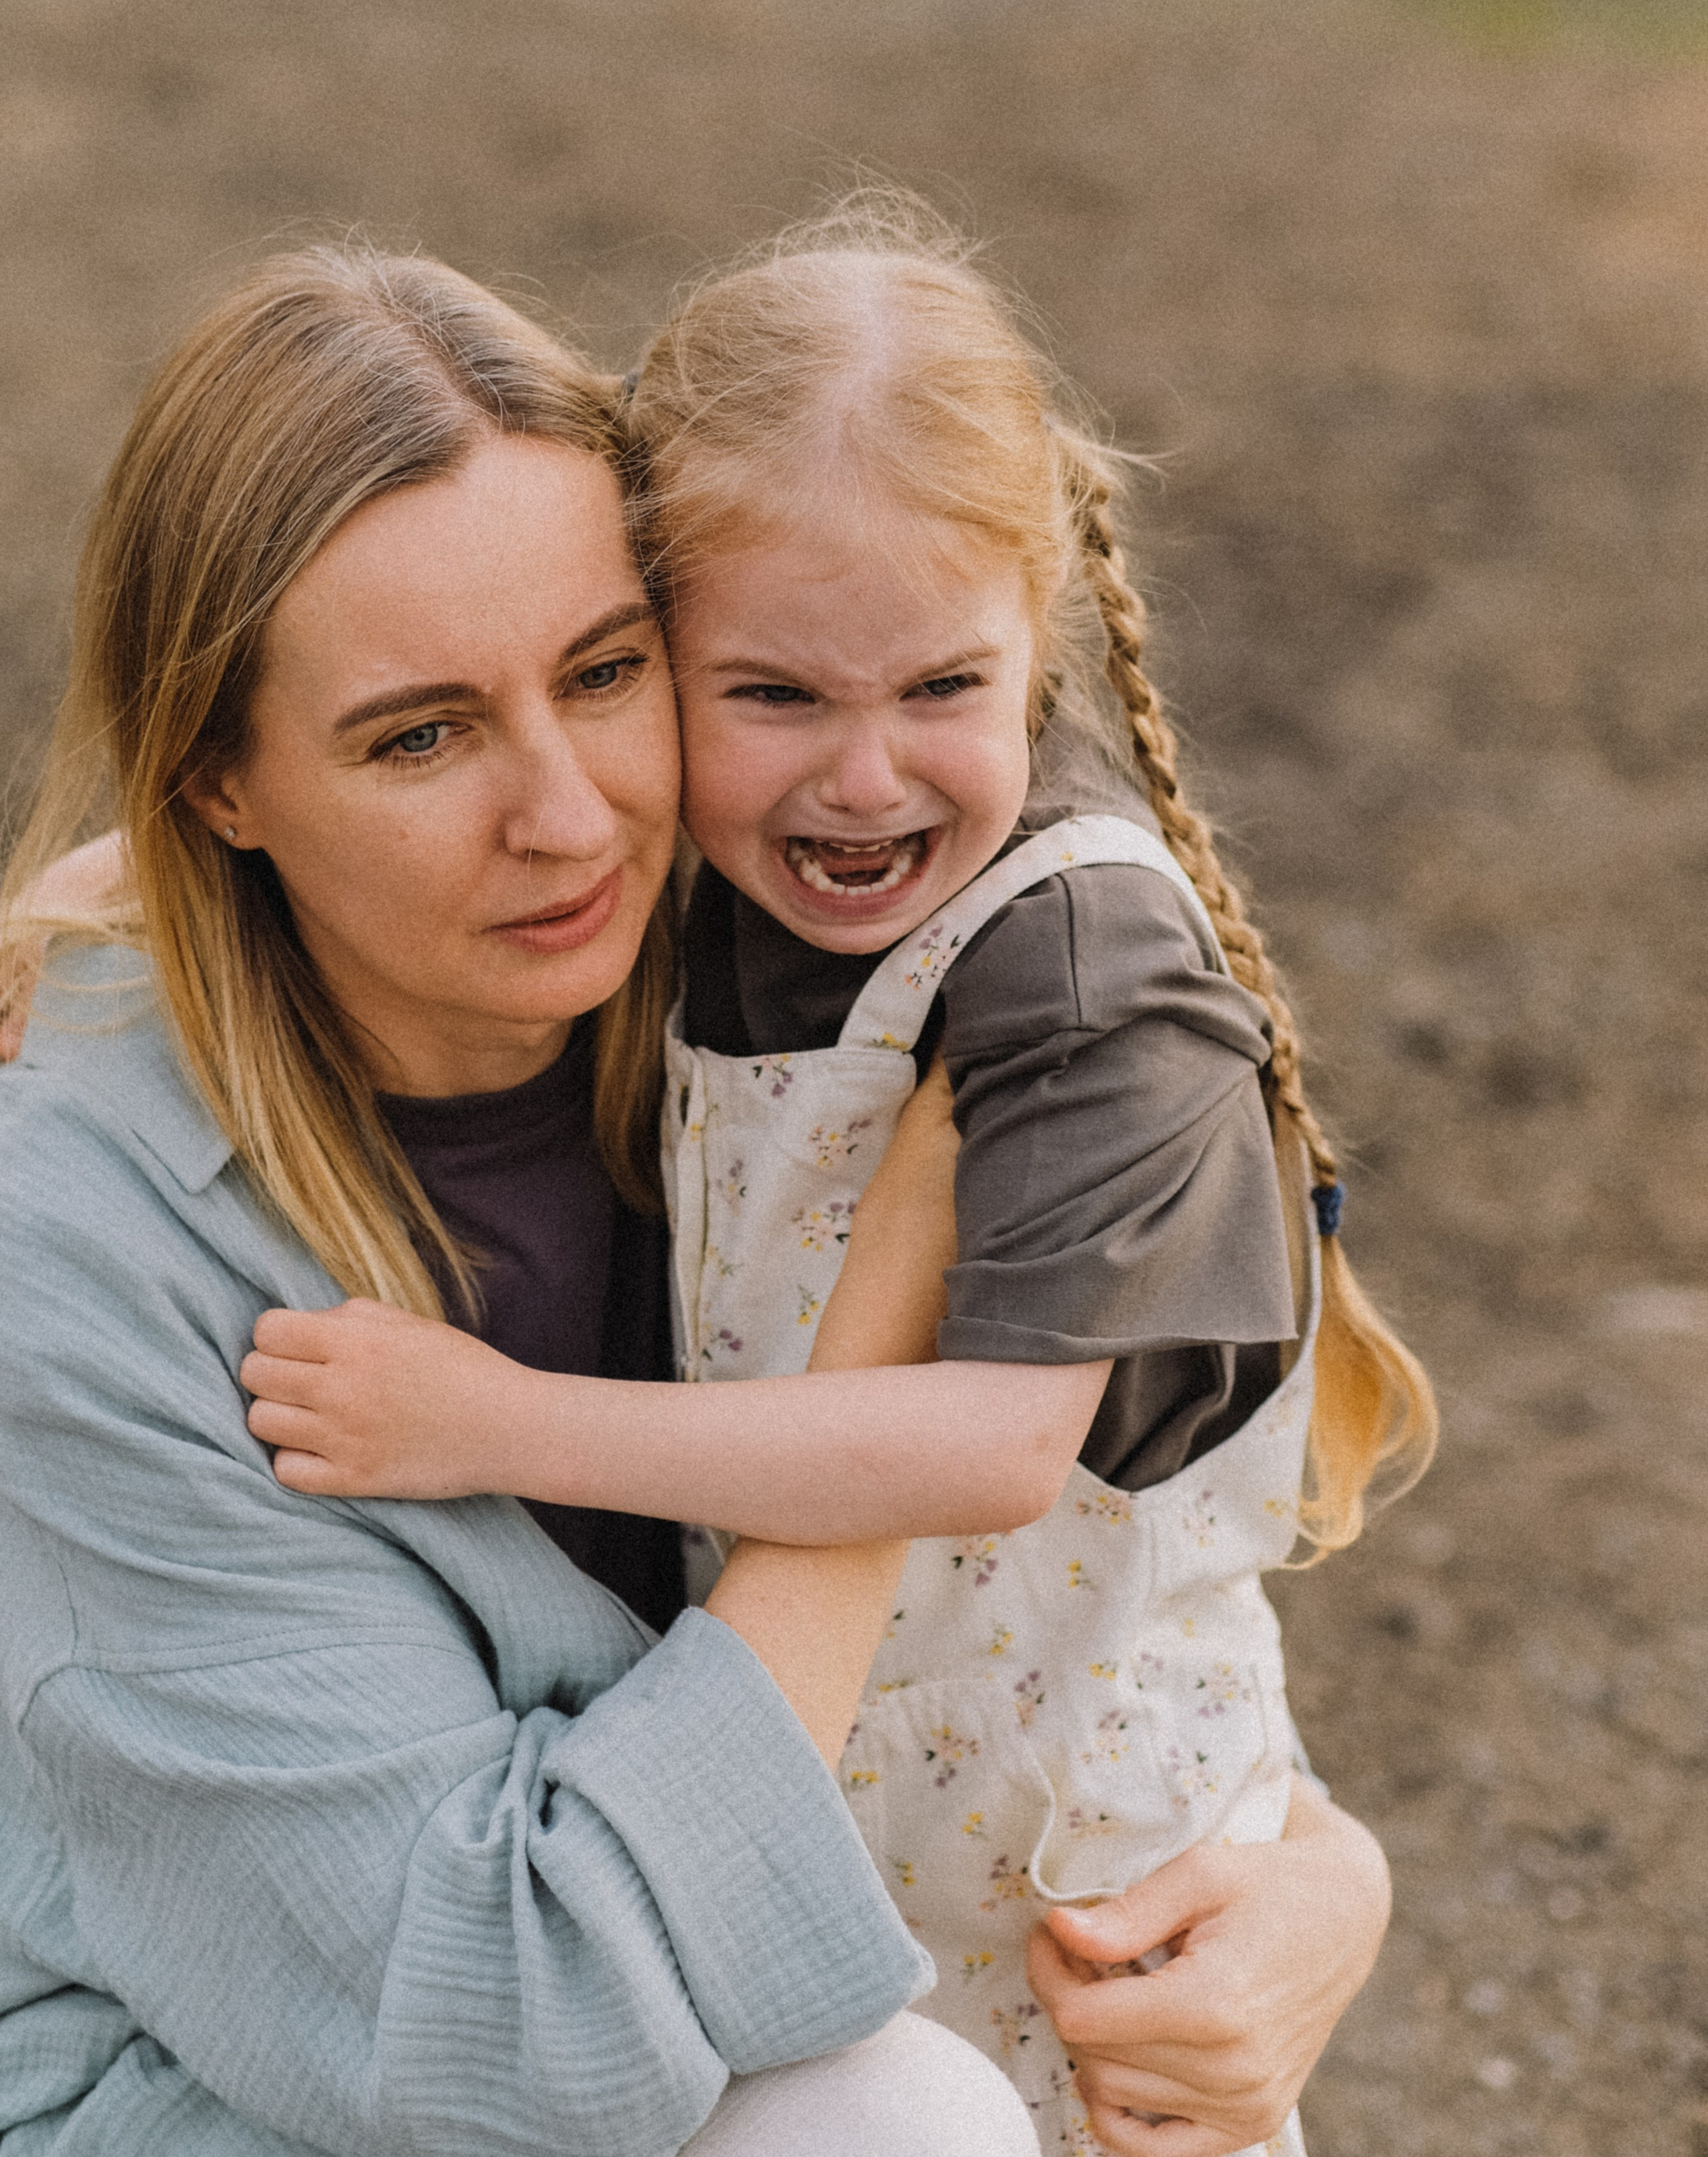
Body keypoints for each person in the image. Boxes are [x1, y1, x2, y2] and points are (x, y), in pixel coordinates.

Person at [229, 215, 1430, 2152]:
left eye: (939, 687)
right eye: (773, 696)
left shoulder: (1078, 967)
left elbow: (989, 1453)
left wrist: (500, 1424)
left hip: (1081, 1873)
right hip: (851, 1804)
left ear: (1039, 624)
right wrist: (92, 886)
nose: (861, 783)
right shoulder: (713, 878)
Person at [0, 246, 1043, 2157]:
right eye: (419, 736)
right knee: (895, 2127)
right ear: (217, 785)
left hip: (649, 1932)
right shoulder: (62, 1256)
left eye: (604, 671)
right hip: (215, 2083)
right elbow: (519, 2031)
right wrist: (893, 1366)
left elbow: (1158, 1571)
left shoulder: (784, 974)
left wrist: (1304, 1877)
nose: (567, 816)